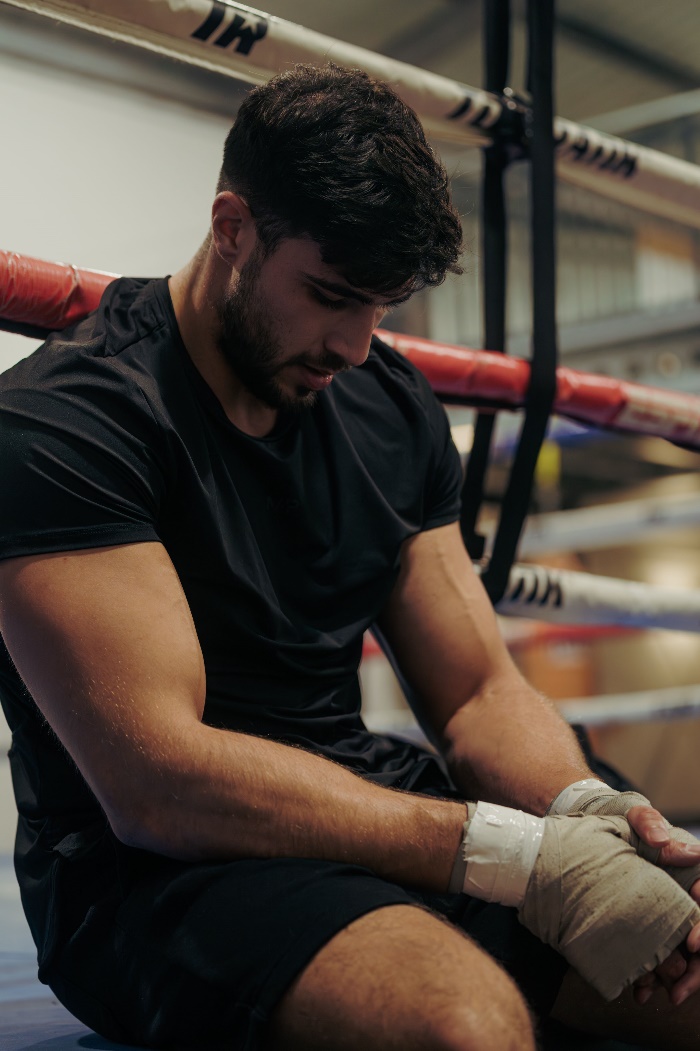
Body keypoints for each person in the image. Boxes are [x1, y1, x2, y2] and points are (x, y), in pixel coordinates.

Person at [1, 63, 700, 1051]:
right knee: (458, 1026)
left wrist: (578, 812)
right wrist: (507, 851)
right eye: (330, 294)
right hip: (156, 874)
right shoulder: (69, 423)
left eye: (384, 303)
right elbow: (159, 782)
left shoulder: (385, 402)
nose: (358, 344)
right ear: (233, 226)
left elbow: (473, 693)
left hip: (376, 813)